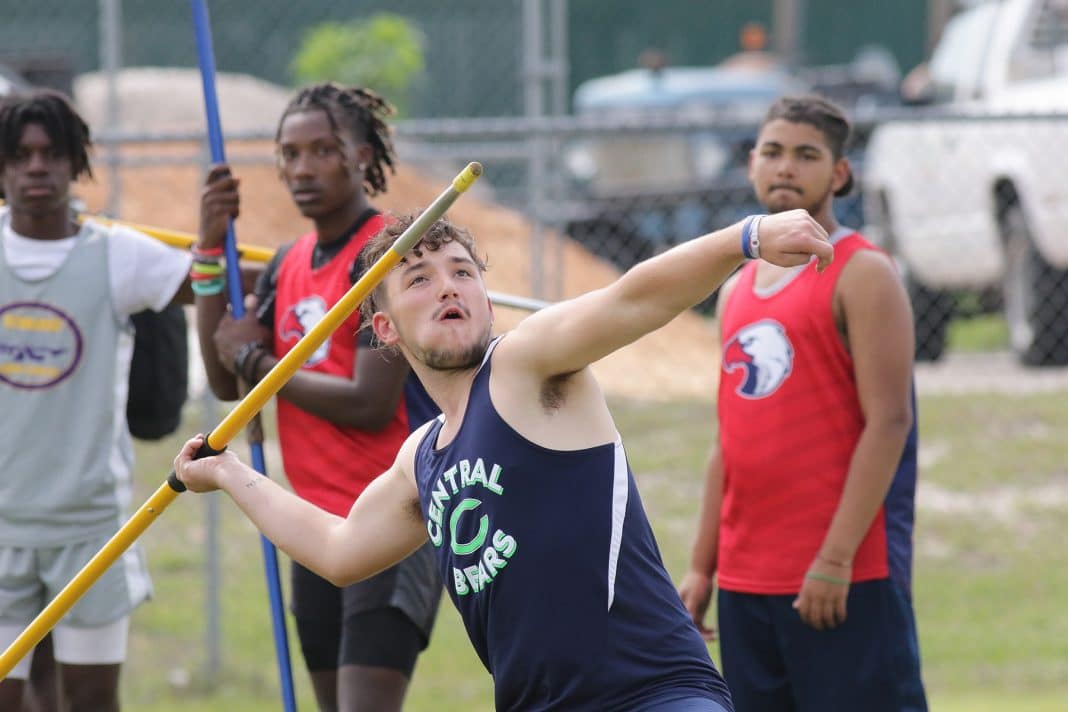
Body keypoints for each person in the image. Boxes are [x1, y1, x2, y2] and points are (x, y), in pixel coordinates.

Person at [175, 204, 834, 710]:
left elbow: (637, 298)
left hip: (653, 695)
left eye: (463, 272)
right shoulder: (420, 459)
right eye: (419, 278)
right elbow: (340, 549)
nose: (446, 287)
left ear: (488, 301)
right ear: (385, 329)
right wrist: (231, 475)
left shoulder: (525, 364)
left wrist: (746, 237)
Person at [194, 82, 441, 712]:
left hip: (392, 514)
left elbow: (368, 401)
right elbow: (230, 386)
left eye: (323, 150)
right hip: (312, 525)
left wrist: (257, 359)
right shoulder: (287, 262)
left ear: (361, 154)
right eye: (290, 153)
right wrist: (206, 247)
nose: (303, 168)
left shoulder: (387, 252)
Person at [677, 96, 928, 712]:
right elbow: (727, 443)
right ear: (751, 165)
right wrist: (703, 570)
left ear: (839, 174)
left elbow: (890, 422)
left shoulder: (863, 273)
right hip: (744, 583)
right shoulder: (736, 286)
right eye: (772, 152)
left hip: (840, 576)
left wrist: (835, 560)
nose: (785, 167)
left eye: (806, 155)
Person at [0, 89, 194, 710]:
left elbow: (211, 285)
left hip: (91, 531)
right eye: (21, 155)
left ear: (75, 163)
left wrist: (214, 243)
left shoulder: (117, 254)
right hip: (1, 528)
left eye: (52, 154)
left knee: (91, 702)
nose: (36, 167)